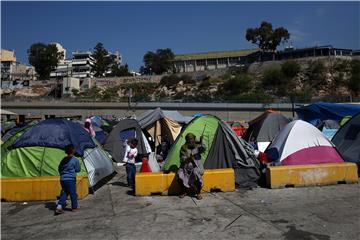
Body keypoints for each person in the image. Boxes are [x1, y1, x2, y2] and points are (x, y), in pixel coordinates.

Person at [176, 133, 206, 200]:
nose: (190, 140)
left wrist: (201, 142)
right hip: (186, 167)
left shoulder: (198, 146)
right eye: (188, 139)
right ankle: (184, 191)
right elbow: (182, 159)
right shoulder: (183, 148)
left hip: (197, 166)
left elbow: (203, 148)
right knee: (179, 174)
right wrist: (189, 158)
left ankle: (198, 192)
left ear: (194, 139)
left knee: (196, 173)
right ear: (186, 140)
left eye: (191, 139)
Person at [55, 144, 81, 215]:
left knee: (64, 193)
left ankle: (59, 207)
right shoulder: (75, 160)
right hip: (71, 180)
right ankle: (74, 207)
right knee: (73, 193)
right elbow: (78, 169)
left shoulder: (63, 160)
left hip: (63, 179)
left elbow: (59, 168)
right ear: (73, 150)